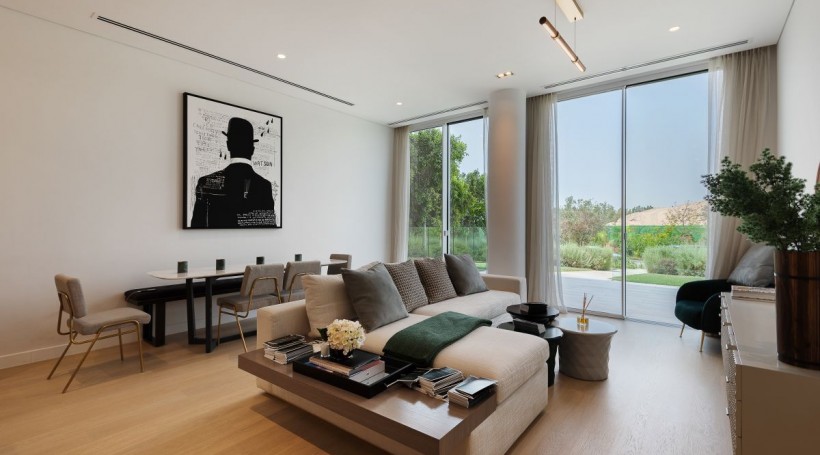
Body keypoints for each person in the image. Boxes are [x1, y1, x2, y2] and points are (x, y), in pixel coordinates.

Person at [190, 117, 277, 228]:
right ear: (252, 150)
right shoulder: (264, 186)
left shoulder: (205, 182)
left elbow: (196, 226)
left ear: (228, 145)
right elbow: (269, 228)